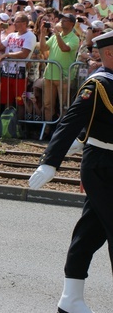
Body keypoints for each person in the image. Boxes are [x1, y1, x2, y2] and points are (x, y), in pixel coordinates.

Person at [28, 30, 113, 313]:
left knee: (90, 231)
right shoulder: (99, 84)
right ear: (110, 53)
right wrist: (50, 162)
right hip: (103, 165)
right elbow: (71, 121)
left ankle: (70, 299)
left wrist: (80, 142)